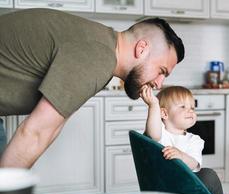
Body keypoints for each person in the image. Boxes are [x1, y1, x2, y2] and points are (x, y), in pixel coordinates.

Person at [0, 8, 185, 168]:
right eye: (161, 71)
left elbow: (51, 129)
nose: (159, 84)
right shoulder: (98, 57)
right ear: (142, 48)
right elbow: (35, 133)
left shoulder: (103, 53)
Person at [140, 85, 225, 194]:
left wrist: (181, 156)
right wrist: (153, 106)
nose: (190, 110)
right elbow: (153, 134)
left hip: (185, 186)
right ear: (164, 114)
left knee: (209, 175)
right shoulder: (160, 134)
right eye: (183, 106)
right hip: (162, 187)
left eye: (192, 108)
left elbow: (194, 164)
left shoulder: (195, 140)